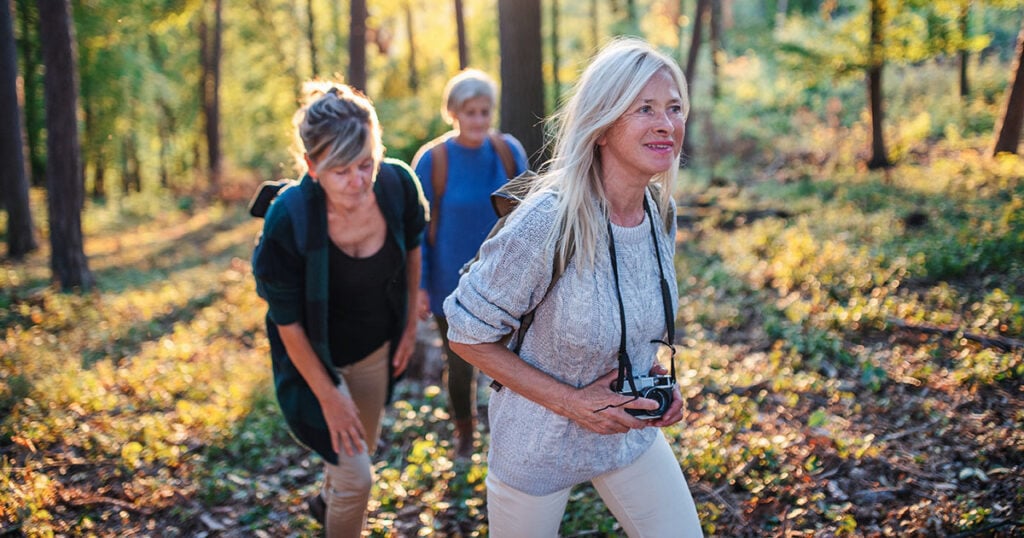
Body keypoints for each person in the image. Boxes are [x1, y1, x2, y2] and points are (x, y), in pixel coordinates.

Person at [443, 38, 703, 536]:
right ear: (603, 125)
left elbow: (631, 315)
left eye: (673, 108)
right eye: (643, 108)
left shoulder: (658, 212)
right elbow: (463, 332)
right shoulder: (547, 221)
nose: (666, 123)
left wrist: (655, 379)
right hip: (536, 448)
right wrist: (571, 401)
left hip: (627, 433)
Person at [251, 81, 427, 536]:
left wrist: (408, 327)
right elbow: (285, 321)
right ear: (311, 167)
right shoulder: (289, 218)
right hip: (313, 358)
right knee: (357, 477)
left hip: (375, 348)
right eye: (341, 171)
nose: (357, 181)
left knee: (356, 451)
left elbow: (412, 251)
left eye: (366, 163)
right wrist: (330, 395)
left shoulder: (397, 185)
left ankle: (326, 503)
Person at [411, 69, 529, 459]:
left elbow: (531, 215)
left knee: (513, 364)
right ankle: (465, 433)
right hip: (451, 283)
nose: (478, 120)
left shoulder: (508, 152)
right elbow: (417, 230)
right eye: (470, 112)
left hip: (505, 279)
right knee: (461, 364)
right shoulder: (433, 160)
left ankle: (510, 438)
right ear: (454, 113)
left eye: (484, 111)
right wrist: (421, 286)